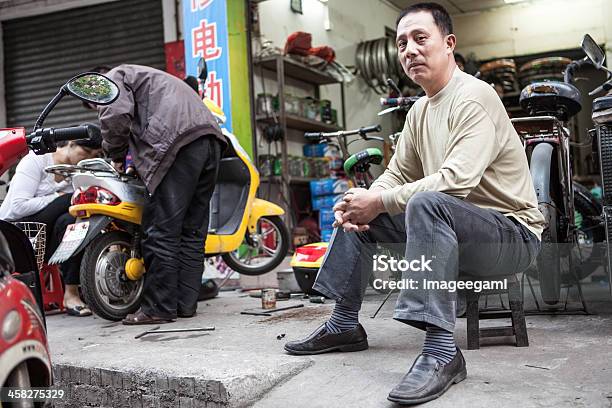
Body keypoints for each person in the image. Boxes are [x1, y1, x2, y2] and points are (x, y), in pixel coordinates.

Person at [284, 2, 545, 405]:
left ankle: (442, 353)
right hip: (457, 227)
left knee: (426, 202)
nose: (409, 49)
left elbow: (455, 183)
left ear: (449, 44)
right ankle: (343, 324)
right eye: (402, 42)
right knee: (361, 208)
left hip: (510, 236)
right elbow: (395, 175)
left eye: (421, 38)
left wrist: (382, 200)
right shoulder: (419, 111)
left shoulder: (474, 97)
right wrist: (364, 201)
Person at [87, 64, 226, 325]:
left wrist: (115, 155)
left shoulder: (114, 77)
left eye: (95, 106)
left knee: (161, 229)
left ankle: (159, 309)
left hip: (177, 141)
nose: (98, 110)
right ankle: (184, 305)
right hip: (210, 140)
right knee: (191, 231)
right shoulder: (149, 78)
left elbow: (115, 115)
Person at [0, 127, 103, 316]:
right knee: (73, 199)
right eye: (86, 152)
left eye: (94, 156)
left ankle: (71, 293)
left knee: (73, 221)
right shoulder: (36, 160)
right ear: (71, 143)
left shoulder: (76, 172)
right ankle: (71, 293)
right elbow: (17, 207)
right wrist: (59, 197)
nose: (86, 159)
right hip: (18, 233)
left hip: (48, 239)